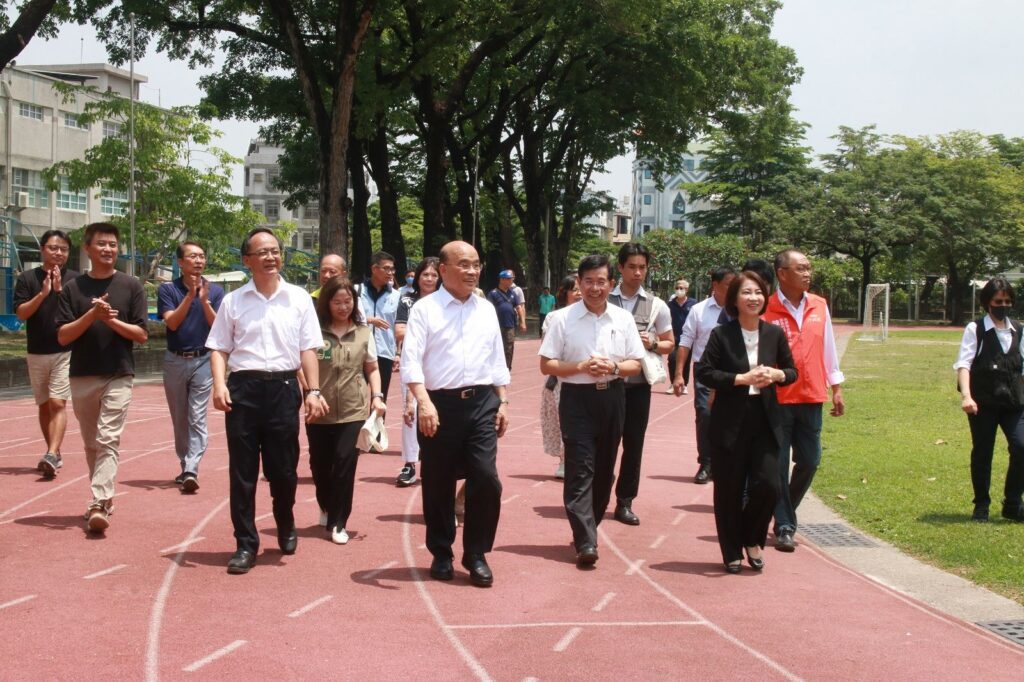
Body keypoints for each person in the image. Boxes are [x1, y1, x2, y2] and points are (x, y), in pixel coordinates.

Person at [206, 228, 327, 574]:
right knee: (242, 473)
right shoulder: (233, 301)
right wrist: (219, 385)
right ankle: (245, 543)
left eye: (275, 251)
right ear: (247, 260)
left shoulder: (299, 298)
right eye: (263, 252)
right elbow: (219, 348)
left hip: (284, 390)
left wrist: (313, 391)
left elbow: (308, 349)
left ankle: (285, 521)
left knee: (284, 470)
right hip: (244, 391)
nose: (271, 257)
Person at [400, 241, 510, 587]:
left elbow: (496, 359)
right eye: (463, 264)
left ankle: (476, 554)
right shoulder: (425, 309)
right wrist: (423, 401)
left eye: (476, 264)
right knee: (438, 481)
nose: (472, 271)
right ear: (443, 269)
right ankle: (442, 552)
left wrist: (503, 401)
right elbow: (412, 360)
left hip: (481, 404)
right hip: (439, 405)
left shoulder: (486, 308)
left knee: (486, 478)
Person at [539, 254, 645, 567]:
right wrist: (580, 367)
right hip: (576, 399)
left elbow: (635, 363)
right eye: (588, 281)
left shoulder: (622, 319)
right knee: (580, 468)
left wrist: (612, 366)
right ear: (579, 283)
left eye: (601, 282)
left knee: (604, 471)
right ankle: (586, 540)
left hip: (613, 398)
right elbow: (547, 363)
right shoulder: (562, 319)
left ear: (611, 284)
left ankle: (589, 527)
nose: (594, 288)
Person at [695, 272, 797, 573]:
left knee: (770, 484)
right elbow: (705, 372)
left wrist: (778, 375)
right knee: (728, 488)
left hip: (765, 419)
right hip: (729, 421)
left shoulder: (774, 334)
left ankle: (752, 537)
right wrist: (741, 379)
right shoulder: (721, 334)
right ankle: (731, 551)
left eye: (758, 293)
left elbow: (791, 371)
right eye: (746, 293)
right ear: (734, 300)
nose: (753, 298)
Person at [55, 223, 148, 532]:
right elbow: (63, 336)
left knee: (108, 437)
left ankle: (98, 500)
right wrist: (91, 316)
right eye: (102, 244)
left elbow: (141, 334)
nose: (109, 249)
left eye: (113, 244)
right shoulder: (73, 288)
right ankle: (104, 500)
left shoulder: (131, 286)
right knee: (91, 443)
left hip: (119, 372)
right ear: (88, 248)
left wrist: (111, 321)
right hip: (82, 374)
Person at [763, 249, 845, 552]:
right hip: (779, 399)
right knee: (779, 463)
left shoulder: (820, 306)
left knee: (810, 461)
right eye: (801, 268)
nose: (808, 273)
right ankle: (785, 525)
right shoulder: (767, 308)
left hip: (812, 395)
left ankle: (784, 510)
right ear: (782, 273)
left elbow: (828, 350)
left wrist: (836, 387)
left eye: (809, 268)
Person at [308, 276, 387, 544]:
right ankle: (325, 503)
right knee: (320, 466)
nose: (343, 307)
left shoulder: (364, 333)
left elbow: (372, 368)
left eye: (348, 301)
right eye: (337, 302)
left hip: (354, 410)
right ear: (327, 304)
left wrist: (376, 396)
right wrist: (311, 393)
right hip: (319, 410)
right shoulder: (314, 332)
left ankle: (339, 522)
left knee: (344, 465)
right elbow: (301, 365)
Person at [608, 243, 674, 526]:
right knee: (604, 445)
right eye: (632, 267)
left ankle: (625, 502)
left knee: (633, 445)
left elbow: (670, 343)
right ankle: (597, 494)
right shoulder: (603, 299)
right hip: (606, 385)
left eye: (642, 267)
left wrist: (655, 342)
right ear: (620, 268)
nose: (637, 273)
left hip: (638, 387)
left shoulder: (657, 305)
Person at [954, 277, 1024, 522]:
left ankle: (1013, 504)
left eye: (1007, 300)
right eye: (998, 301)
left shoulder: (1019, 329)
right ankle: (981, 505)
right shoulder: (976, 330)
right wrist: (966, 396)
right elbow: (964, 364)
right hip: (982, 402)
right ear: (987, 303)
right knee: (983, 452)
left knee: (1021, 447)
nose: (1003, 305)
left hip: (1013, 402)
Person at [157, 241, 224, 493]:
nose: (198, 260)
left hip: (204, 359)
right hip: (174, 359)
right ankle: (185, 461)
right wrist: (189, 296)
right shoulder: (167, 290)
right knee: (179, 416)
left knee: (197, 415)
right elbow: (172, 323)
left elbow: (218, 327)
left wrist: (204, 301)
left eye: (202, 256)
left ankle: (191, 467)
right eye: (193, 256)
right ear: (181, 263)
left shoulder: (215, 291)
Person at [13, 229, 78, 479]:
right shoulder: (28, 278)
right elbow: (21, 314)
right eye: (53, 248)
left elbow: (77, 315)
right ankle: (55, 451)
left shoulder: (75, 280)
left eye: (63, 249)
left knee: (57, 402)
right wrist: (44, 293)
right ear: (42, 249)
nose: (58, 253)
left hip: (65, 351)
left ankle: (50, 453)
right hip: (36, 351)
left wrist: (61, 291)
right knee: (43, 405)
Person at [672, 267, 737, 484]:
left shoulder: (741, 309)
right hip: (706, 370)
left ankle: (727, 462)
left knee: (732, 416)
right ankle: (706, 463)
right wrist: (679, 374)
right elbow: (685, 342)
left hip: (734, 371)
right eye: (729, 284)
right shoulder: (699, 310)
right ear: (715, 286)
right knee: (705, 415)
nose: (734, 289)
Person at [394, 257, 441, 487]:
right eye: (425, 275)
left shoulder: (446, 301)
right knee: (410, 410)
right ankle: (410, 463)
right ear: (417, 277)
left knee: (439, 409)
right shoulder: (407, 300)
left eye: (434, 275)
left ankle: (436, 461)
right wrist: (426, 332)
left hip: (438, 362)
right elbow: (399, 331)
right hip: (412, 361)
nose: (430, 279)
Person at [540, 276, 583, 479]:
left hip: (588, 377)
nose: (579, 292)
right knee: (561, 420)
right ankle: (564, 460)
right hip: (560, 378)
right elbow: (549, 353)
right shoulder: (554, 317)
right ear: (564, 292)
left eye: (579, 288)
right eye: (573, 289)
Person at [360, 251, 401, 402]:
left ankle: (378, 425)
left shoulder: (396, 296)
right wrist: (369, 320)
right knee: (358, 397)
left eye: (392, 269)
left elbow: (399, 325)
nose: (390, 273)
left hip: (384, 352)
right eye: (386, 268)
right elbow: (347, 319)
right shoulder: (357, 291)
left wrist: (398, 352)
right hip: (360, 351)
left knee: (380, 397)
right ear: (374, 269)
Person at [666, 278, 696, 395]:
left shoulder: (693, 304)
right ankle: (673, 383)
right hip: (674, 337)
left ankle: (684, 384)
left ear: (686, 290)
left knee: (685, 361)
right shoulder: (670, 304)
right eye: (677, 288)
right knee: (672, 359)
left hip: (688, 337)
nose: (679, 290)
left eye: (681, 288)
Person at [488, 270, 520, 369]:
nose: (511, 281)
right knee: (496, 347)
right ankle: (495, 367)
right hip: (497, 325)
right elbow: (489, 310)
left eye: (512, 279)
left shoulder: (512, 293)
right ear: (502, 280)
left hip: (510, 325)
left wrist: (522, 321)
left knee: (509, 348)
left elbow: (518, 306)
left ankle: (507, 367)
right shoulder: (493, 294)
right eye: (509, 279)